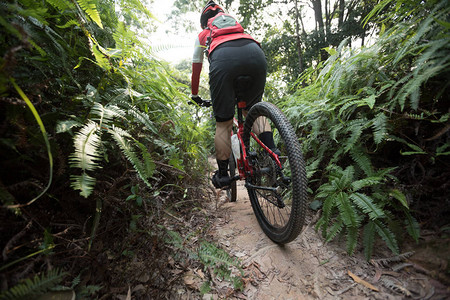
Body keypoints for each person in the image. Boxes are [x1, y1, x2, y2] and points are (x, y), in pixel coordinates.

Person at [190, 0, 276, 188]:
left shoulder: (204, 34)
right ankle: (274, 157)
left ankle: (222, 176)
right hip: (255, 54)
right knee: (253, 112)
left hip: (223, 61)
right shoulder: (239, 30)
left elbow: (196, 69)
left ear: (205, 21)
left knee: (224, 123)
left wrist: (194, 95)